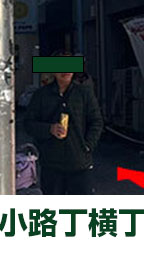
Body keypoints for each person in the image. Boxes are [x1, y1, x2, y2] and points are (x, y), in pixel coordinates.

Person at [24, 64, 103, 194]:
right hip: (51, 163)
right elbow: (28, 124)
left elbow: (96, 122)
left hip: (79, 163)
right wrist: (49, 129)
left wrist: (88, 145)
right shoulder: (41, 95)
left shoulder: (84, 93)